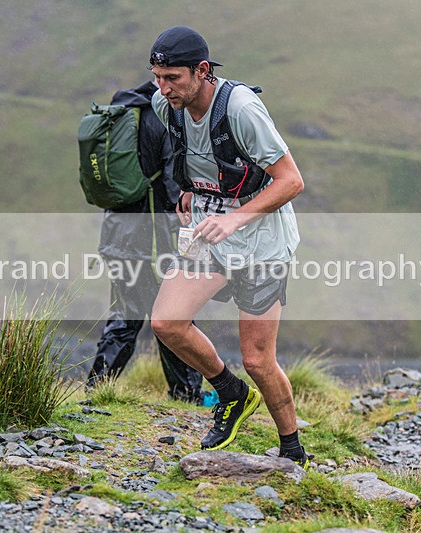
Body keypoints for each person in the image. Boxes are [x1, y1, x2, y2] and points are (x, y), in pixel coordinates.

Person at [147, 26, 309, 467]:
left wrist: (234, 217)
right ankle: (231, 393)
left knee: (258, 359)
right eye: (157, 77)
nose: (163, 89)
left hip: (262, 243)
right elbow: (193, 158)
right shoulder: (167, 105)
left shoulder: (240, 109)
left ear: (202, 71)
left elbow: (291, 181)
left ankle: (293, 447)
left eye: (173, 78)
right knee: (166, 322)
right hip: (208, 235)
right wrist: (188, 193)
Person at [86, 79, 204, 404]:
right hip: (156, 236)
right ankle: (187, 393)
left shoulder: (122, 111)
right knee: (174, 313)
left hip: (118, 234)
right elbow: (172, 186)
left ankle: (97, 391)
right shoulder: (165, 116)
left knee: (126, 313)